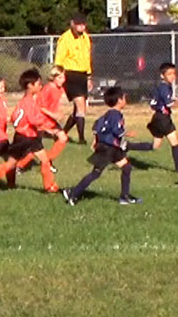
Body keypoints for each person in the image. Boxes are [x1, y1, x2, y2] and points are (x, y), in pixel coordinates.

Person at [0, 69, 58, 194]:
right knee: (10, 164)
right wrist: (46, 123)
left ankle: (49, 186)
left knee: (45, 160)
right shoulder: (27, 102)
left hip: (31, 136)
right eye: (38, 84)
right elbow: (33, 120)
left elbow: (15, 116)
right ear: (30, 86)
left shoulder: (27, 100)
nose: (40, 86)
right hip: (24, 138)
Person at [62, 86, 141, 206]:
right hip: (108, 149)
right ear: (119, 100)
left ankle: (124, 197)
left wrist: (96, 139)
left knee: (126, 167)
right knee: (96, 173)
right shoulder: (116, 115)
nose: (126, 100)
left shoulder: (108, 114)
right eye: (124, 98)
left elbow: (96, 126)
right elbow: (117, 130)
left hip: (112, 148)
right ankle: (73, 193)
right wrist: (127, 133)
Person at [127, 62, 178, 173]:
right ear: (162, 76)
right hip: (162, 119)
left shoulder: (162, 87)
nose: (172, 76)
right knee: (174, 142)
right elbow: (169, 104)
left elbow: (156, 102)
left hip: (159, 118)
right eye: (169, 74)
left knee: (155, 145)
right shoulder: (164, 87)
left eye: (174, 73)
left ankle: (128, 146)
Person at [16, 65, 69, 173]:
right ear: (53, 77)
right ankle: (20, 165)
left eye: (63, 77)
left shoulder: (60, 89)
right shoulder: (48, 89)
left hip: (50, 120)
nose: (63, 80)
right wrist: (53, 115)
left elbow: (56, 104)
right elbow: (40, 106)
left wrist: (59, 113)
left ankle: (47, 161)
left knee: (62, 138)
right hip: (42, 119)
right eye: (60, 77)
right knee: (35, 147)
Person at [56, 12, 92, 144]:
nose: (81, 27)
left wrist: (89, 77)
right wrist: (59, 76)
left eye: (83, 24)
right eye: (78, 24)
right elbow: (59, 60)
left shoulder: (85, 37)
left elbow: (87, 58)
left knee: (79, 109)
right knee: (80, 106)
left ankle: (62, 133)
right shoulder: (65, 38)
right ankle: (81, 139)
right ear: (72, 24)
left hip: (82, 75)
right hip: (71, 74)